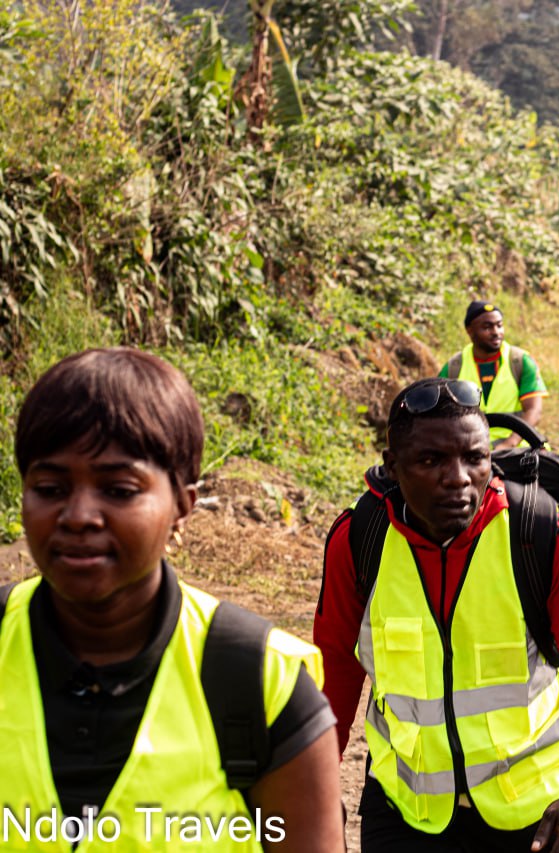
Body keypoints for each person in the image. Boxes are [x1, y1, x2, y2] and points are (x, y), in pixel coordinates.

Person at [4, 348, 341, 850]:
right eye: (50, 487)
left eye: (118, 490)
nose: (77, 515)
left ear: (182, 507)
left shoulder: (258, 682)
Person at [315, 378, 559, 850]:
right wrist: (316, 782)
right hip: (405, 809)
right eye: (430, 460)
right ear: (392, 467)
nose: (458, 477)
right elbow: (335, 665)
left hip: (532, 814)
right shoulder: (358, 540)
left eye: (474, 458)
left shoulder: (536, 533)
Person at [441, 300, 548, 450]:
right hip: (469, 449)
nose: (496, 332)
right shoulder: (453, 367)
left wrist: (508, 444)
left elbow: (533, 410)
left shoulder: (520, 361)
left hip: (518, 447)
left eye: (499, 325)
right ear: (469, 330)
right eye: (487, 327)